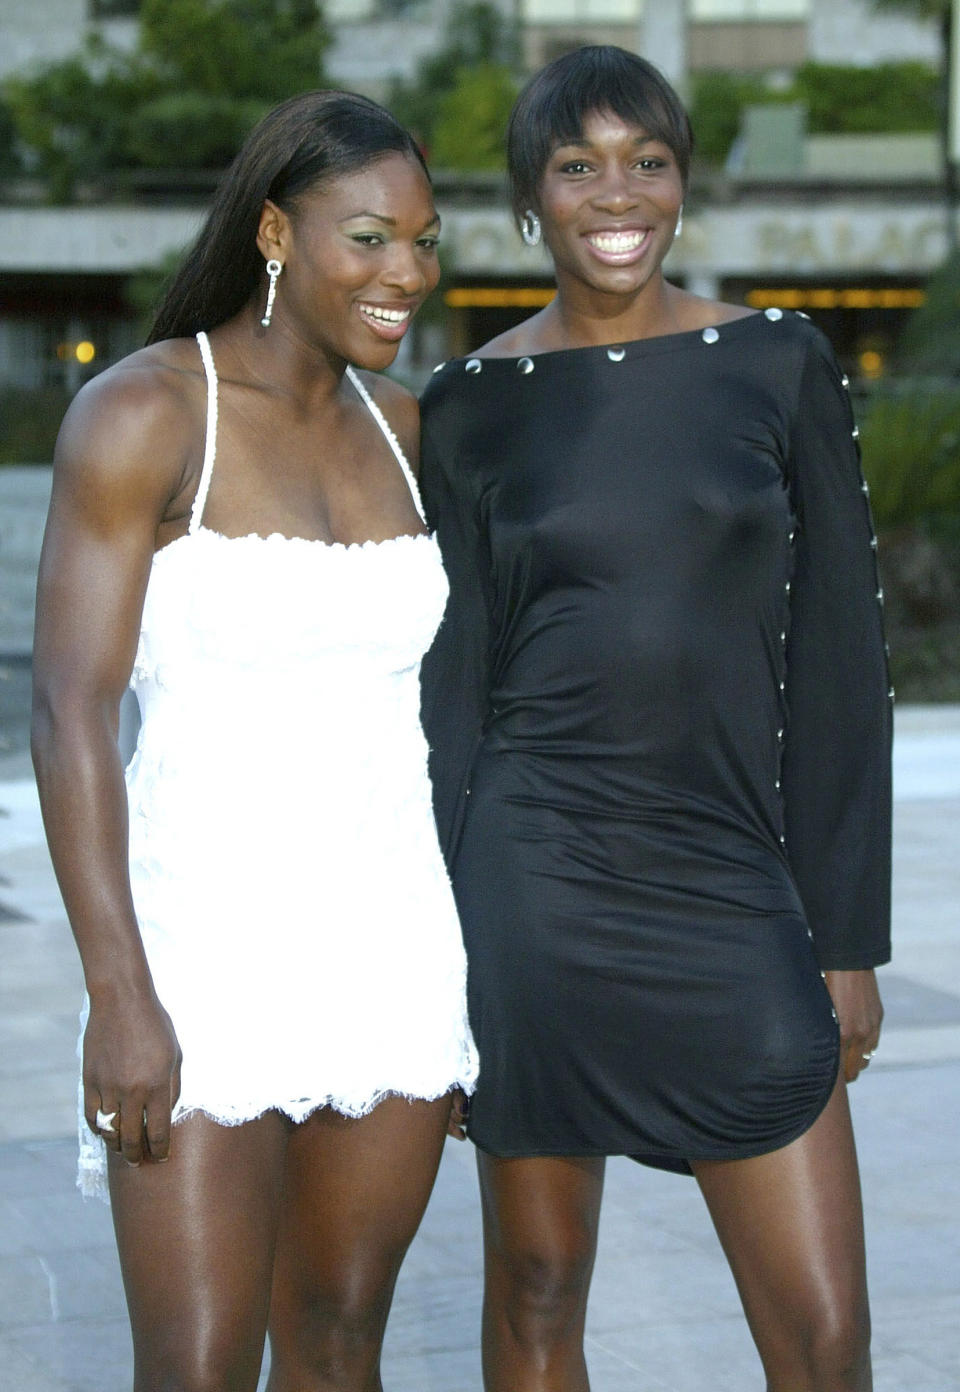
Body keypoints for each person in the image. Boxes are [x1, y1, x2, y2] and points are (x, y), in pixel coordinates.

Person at [419, 46, 890, 1392]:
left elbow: (843, 663)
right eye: (577, 165)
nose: (614, 193)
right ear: (529, 199)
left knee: (823, 1334)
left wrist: (847, 936)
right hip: (535, 887)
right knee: (536, 1297)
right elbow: (453, 695)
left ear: (685, 185)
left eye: (648, 161)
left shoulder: (778, 360)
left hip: (731, 886)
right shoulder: (467, 409)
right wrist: (437, 956)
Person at [32, 89, 477, 1392]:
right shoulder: (146, 414)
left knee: (341, 1345)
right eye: (370, 238)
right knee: (200, 1362)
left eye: (426, 240)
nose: (406, 273)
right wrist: (120, 998)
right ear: (277, 233)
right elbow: (66, 708)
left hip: (395, 947)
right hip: (202, 959)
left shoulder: (407, 436)